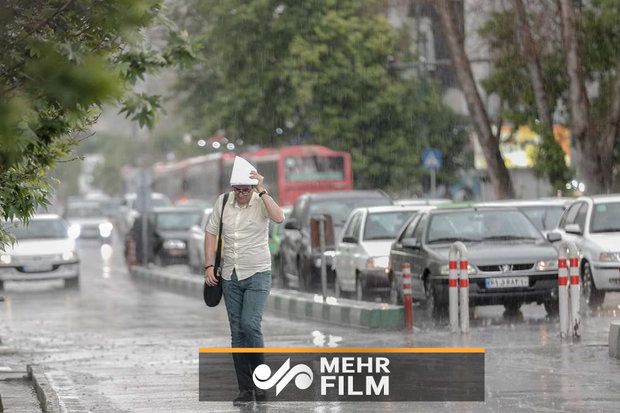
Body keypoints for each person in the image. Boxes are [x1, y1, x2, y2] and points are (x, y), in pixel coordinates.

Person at [204, 158, 284, 406]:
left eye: (245, 189)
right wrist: (208, 266)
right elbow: (211, 232)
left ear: (251, 187)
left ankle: (261, 383)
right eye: (237, 189)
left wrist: (261, 189)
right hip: (230, 275)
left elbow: (279, 217)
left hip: (257, 272)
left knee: (251, 325)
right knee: (237, 333)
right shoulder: (223, 201)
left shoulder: (261, 201)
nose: (240, 194)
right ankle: (244, 388)